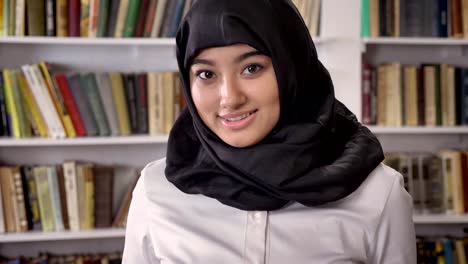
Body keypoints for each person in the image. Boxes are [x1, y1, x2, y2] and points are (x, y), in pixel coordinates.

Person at [122, 0, 416, 263]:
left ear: (293, 68)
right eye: (206, 74)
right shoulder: (155, 190)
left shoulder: (378, 195)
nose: (230, 97)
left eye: (251, 68)